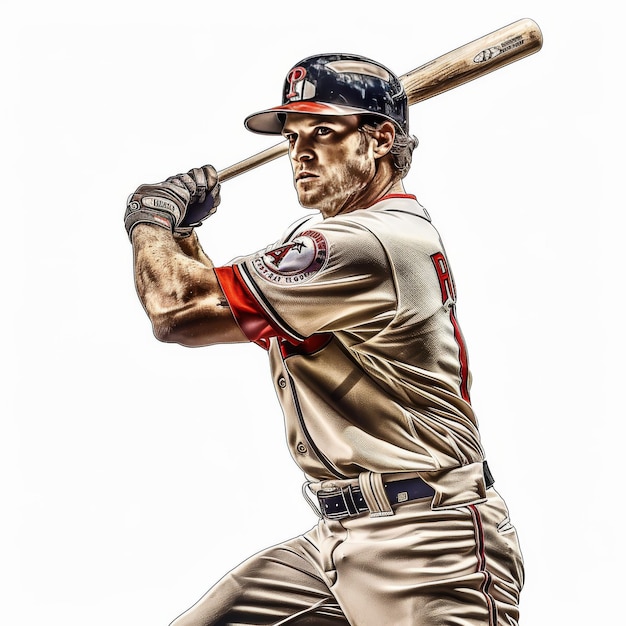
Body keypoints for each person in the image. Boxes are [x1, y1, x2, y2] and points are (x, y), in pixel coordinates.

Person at [125, 53, 524, 626]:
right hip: (336, 538)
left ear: (382, 140)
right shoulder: (342, 240)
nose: (300, 152)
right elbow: (208, 313)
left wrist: (151, 224)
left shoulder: (373, 241)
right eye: (292, 136)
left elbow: (177, 311)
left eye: (323, 132)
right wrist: (183, 236)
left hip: (431, 546)